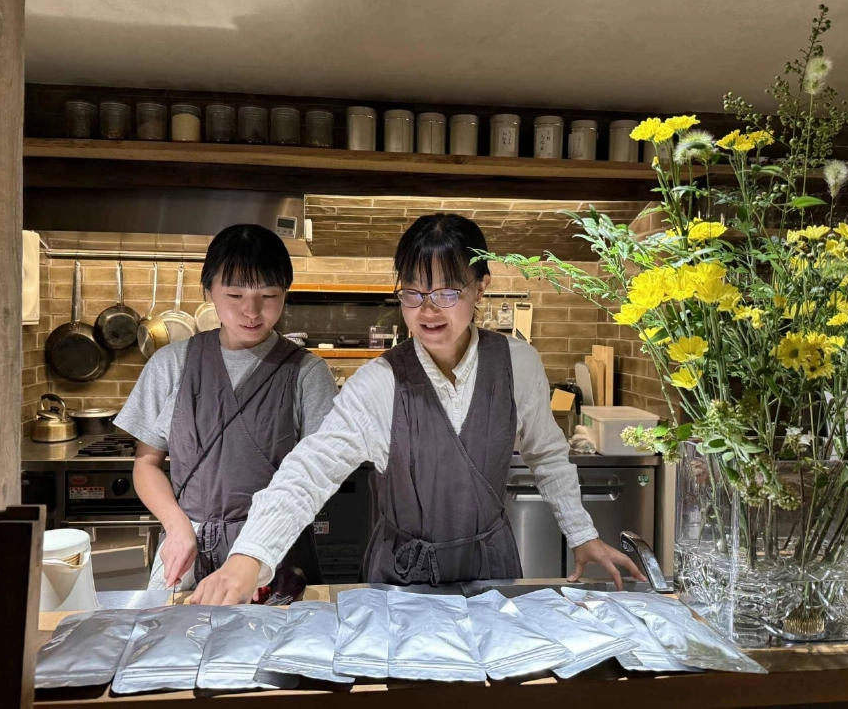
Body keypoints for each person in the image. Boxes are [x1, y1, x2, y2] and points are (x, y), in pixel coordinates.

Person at [190, 214, 644, 605]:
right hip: (401, 580)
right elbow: (309, 470)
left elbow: (546, 455)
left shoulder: (516, 364)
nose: (427, 310)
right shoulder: (380, 381)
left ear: (480, 286)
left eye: (447, 292)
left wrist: (581, 533)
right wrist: (250, 557)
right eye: (413, 293)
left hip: (492, 567)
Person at [114, 224, 338, 590]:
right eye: (234, 295)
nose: (252, 312)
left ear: (285, 294)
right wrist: (176, 525)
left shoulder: (307, 373)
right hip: (188, 547)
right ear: (208, 291)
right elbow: (147, 462)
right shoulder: (171, 364)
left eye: (268, 296)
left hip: (274, 552)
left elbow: (318, 477)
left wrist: (256, 550)